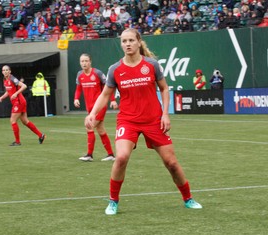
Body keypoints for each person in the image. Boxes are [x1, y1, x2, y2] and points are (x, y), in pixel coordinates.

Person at [84, 28, 202, 215]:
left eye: (131, 40)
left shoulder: (152, 65)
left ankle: (188, 198)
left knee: (171, 163)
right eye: (124, 41)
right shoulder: (115, 69)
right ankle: (113, 201)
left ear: (139, 42)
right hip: (128, 121)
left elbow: (164, 89)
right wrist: (92, 114)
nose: (128, 44)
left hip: (153, 120)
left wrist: (165, 114)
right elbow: (106, 94)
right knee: (121, 157)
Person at [74, 53, 118, 162]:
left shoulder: (97, 73)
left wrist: (112, 100)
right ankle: (111, 154)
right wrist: (76, 98)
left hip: (100, 107)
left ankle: (89, 155)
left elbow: (107, 88)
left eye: (86, 61)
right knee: (101, 130)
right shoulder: (80, 75)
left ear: (90, 62)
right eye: (82, 61)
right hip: (89, 108)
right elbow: (79, 88)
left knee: (89, 126)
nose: (84, 63)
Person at [0, 65, 46, 146]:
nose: (5, 71)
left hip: (19, 102)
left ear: (10, 71)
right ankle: (41, 135)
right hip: (20, 102)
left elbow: (24, 86)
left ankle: (17, 142)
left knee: (13, 120)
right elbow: (8, 91)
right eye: (4, 70)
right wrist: (2, 97)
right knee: (25, 121)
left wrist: (16, 94)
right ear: (2, 72)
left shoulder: (13, 78)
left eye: (7, 70)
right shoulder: (4, 80)